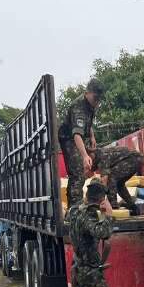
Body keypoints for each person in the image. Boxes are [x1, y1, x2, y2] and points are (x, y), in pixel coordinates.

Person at [58, 78, 104, 209]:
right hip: (69, 138)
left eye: (99, 100)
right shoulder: (78, 107)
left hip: (81, 137)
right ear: (87, 92)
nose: (97, 102)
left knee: (100, 156)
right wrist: (84, 156)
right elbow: (76, 134)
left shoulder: (91, 104)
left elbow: (87, 124)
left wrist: (92, 136)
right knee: (77, 172)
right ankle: (74, 210)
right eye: (95, 98)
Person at [94, 146, 144, 213]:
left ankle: (113, 206)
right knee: (120, 184)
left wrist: (103, 199)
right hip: (135, 159)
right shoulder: (98, 156)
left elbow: (105, 179)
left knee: (111, 177)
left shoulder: (101, 156)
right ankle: (133, 207)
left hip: (133, 159)